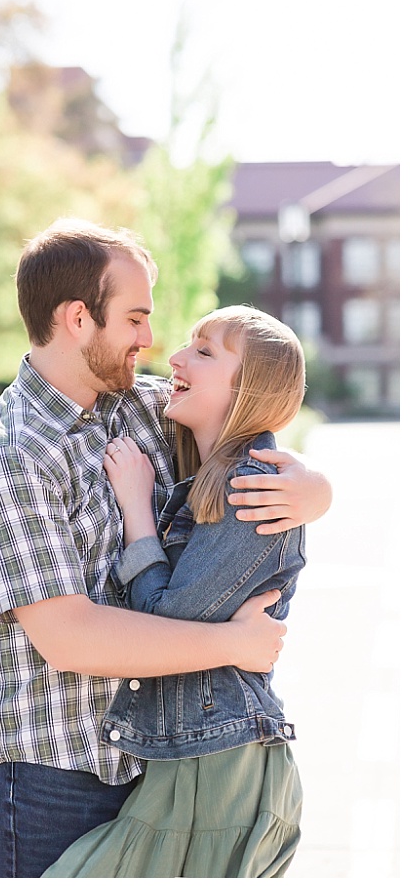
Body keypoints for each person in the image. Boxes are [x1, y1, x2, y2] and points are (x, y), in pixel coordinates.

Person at [0, 219, 330, 878]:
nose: (151, 342)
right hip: (45, 775)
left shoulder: (138, 408)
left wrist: (312, 488)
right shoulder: (9, 455)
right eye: (134, 319)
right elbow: (72, 639)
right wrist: (233, 646)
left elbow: (241, 418)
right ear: (76, 319)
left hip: (146, 764)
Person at [33, 304, 308, 876]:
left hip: (218, 766)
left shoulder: (252, 489)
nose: (175, 357)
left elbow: (163, 618)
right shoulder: (205, 470)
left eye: (204, 352)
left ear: (248, 390)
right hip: (193, 758)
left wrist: (136, 508)